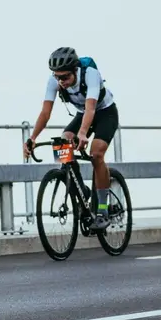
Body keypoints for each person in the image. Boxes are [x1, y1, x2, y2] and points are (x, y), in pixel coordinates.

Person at [25, 47, 118, 232]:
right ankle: (80, 188)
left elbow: (91, 108)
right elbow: (45, 112)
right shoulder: (55, 81)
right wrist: (33, 138)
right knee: (62, 142)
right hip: (83, 114)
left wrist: (83, 133)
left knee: (96, 153)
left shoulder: (90, 74)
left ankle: (102, 210)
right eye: (58, 77)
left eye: (65, 77)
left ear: (75, 70)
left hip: (105, 113)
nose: (62, 81)